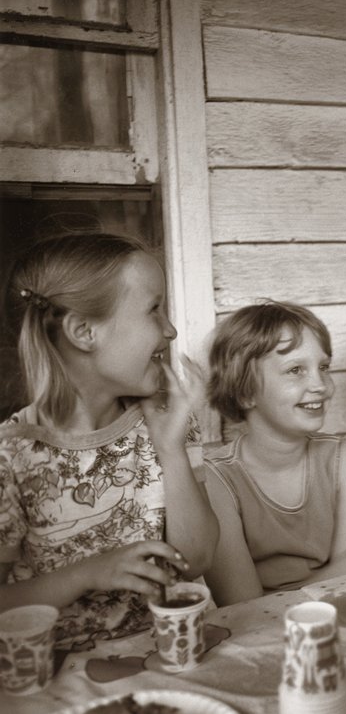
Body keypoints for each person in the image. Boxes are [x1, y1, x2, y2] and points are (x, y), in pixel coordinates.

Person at [0, 232, 218, 651]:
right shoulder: (13, 455)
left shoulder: (166, 420)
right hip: (64, 678)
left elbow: (197, 560)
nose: (170, 330)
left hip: (170, 653)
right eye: (154, 309)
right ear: (84, 332)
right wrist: (86, 573)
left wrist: (171, 449)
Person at [203, 301, 346, 606]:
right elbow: (245, 610)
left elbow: (345, 588)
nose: (320, 385)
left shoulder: (345, 460)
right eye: (295, 370)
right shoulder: (215, 480)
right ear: (245, 392)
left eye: (323, 367)